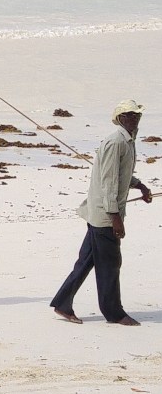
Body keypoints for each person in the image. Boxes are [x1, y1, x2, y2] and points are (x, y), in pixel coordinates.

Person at [51, 100, 153, 326]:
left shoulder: (128, 141)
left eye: (137, 115)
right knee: (110, 263)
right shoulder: (116, 142)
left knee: (86, 261)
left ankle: (62, 303)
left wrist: (141, 186)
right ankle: (114, 313)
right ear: (120, 118)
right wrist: (115, 217)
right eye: (130, 115)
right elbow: (109, 182)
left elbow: (121, 174)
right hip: (104, 215)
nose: (135, 118)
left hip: (101, 212)